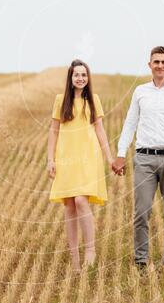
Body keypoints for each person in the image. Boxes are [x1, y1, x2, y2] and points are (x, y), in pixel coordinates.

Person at [111, 46, 164, 269]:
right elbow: (130, 124)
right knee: (141, 212)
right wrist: (121, 154)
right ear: (149, 65)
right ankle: (141, 259)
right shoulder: (140, 92)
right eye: (156, 61)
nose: (160, 65)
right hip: (144, 159)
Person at [48, 59, 114, 272]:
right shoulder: (60, 101)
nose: (81, 78)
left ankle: (90, 251)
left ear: (88, 78)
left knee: (81, 201)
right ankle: (74, 257)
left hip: (87, 157)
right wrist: (51, 159)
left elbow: (100, 130)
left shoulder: (93, 100)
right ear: (71, 77)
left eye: (84, 75)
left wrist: (110, 158)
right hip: (66, 158)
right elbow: (54, 131)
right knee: (69, 205)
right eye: (77, 75)